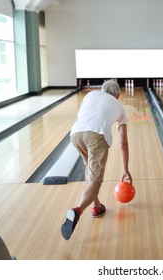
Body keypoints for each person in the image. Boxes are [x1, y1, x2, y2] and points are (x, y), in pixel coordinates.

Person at [61, 80, 132, 240]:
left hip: (76, 134)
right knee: (95, 182)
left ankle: (97, 207)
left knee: (90, 170)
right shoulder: (120, 107)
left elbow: (80, 117)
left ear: (101, 90)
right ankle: (78, 210)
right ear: (118, 95)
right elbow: (123, 143)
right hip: (97, 136)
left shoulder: (90, 95)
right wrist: (125, 169)